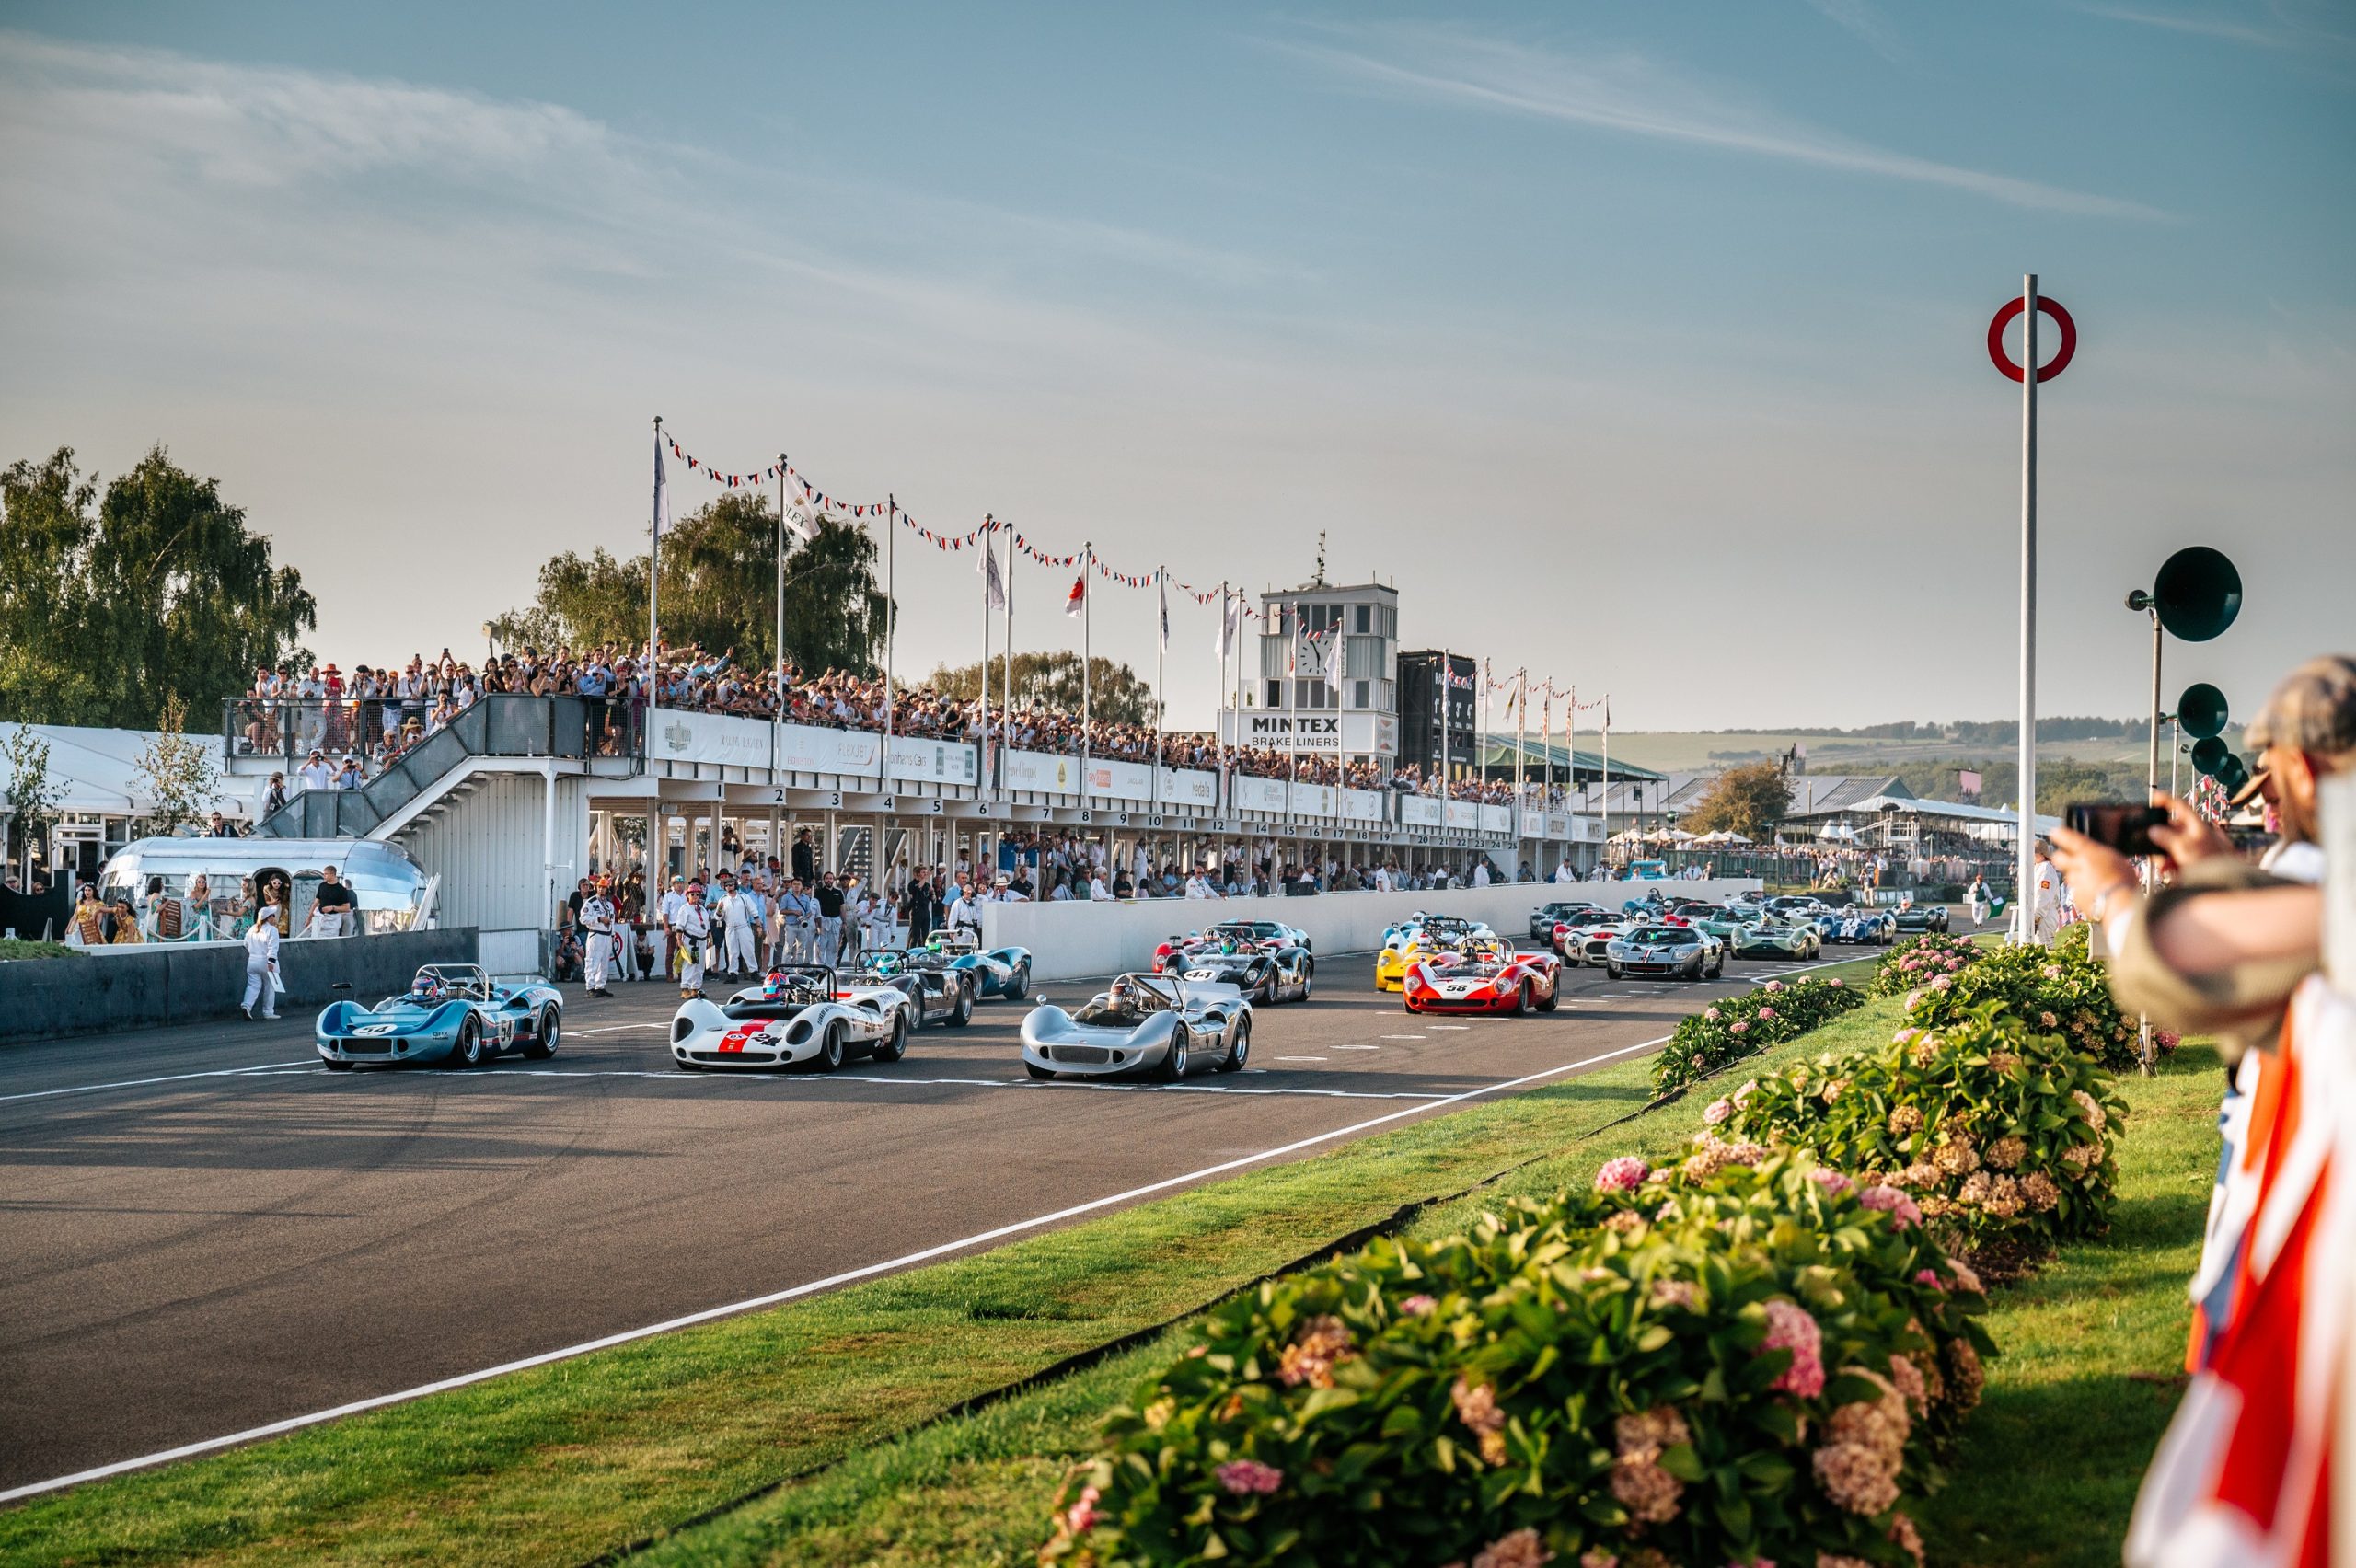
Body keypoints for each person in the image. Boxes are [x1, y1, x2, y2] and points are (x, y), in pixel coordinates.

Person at [241, 895, 282, 1020]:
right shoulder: (272, 930)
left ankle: (247, 1006)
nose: (275, 918)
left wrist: (253, 953)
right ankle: (268, 1012)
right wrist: (271, 962)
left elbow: (245, 944)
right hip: (266, 962)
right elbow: (273, 947)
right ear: (269, 918)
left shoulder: (252, 929)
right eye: (273, 916)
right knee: (269, 987)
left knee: (253, 986)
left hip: (252, 961)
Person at [580, 878, 618, 997]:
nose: (602, 889)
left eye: (604, 887)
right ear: (597, 888)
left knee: (604, 963)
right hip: (596, 934)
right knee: (592, 961)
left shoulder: (609, 905)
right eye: (600, 887)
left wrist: (612, 935)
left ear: (607, 889)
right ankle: (590, 987)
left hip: (607, 936)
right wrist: (599, 919)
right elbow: (583, 919)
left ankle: (600, 986)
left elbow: (612, 922)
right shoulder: (591, 903)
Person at [673, 883, 712, 999]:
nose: (695, 896)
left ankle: (696, 988)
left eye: (697, 894)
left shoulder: (703, 909)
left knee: (700, 965)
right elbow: (680, 925)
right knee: (689, 964)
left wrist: (710, 937)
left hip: (702, 940)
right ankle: (685, 988)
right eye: (692, 894)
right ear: (688, 895)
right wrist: (679, 939)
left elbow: (707, 924)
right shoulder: (685, 909)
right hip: (691, 940)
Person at [306, 864, 357, 938]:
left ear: (333, 874)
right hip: (319, 919)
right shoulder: (322, 886)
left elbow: (346, 908)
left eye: (326, 874)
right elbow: (315, 903)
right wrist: (309, 918)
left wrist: (332, 908)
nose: (324, 876)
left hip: (332, 922)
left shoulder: (341, 890)